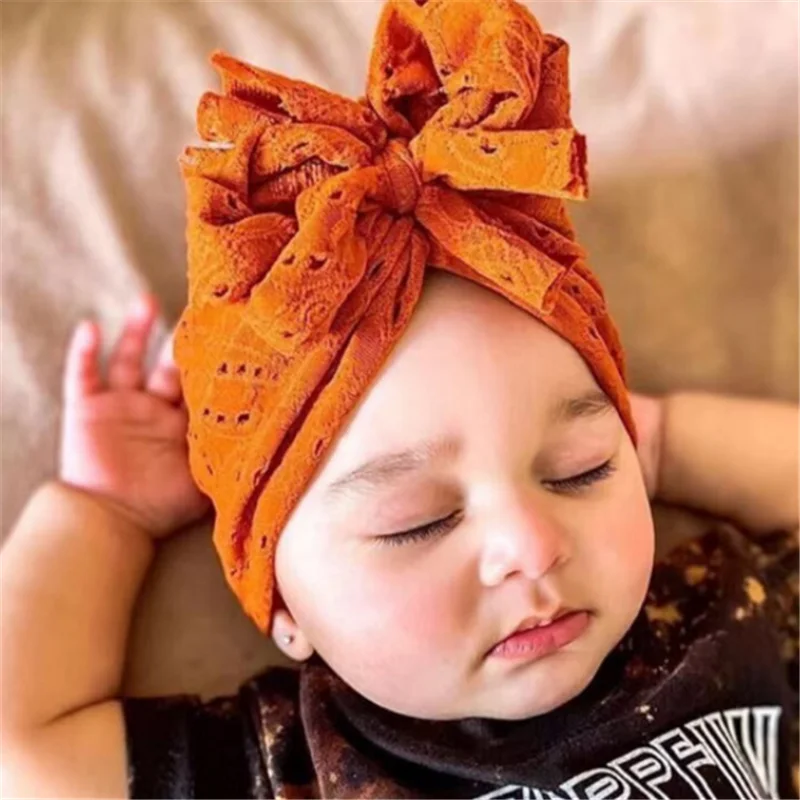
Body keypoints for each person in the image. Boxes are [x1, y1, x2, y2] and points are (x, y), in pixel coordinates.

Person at [2, 0, 797, 797]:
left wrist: (659, 443)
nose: (530, 543)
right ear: (289, 613)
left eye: (579, 469)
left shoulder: (718, 623)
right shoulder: (296, 759)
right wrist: (105, 516)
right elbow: (24, 756)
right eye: (418, 521)